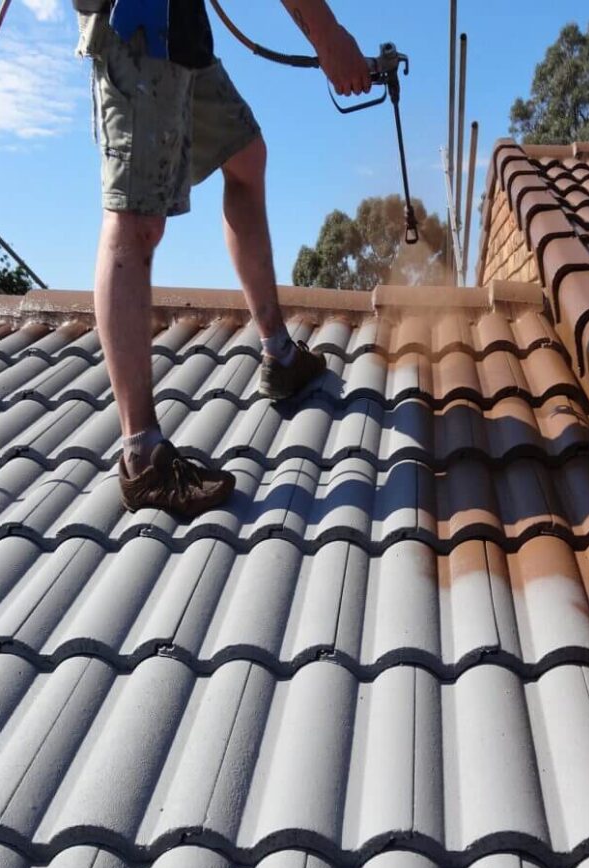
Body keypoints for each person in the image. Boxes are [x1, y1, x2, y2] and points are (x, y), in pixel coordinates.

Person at [73, 0, 371, 517]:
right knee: (135, 219)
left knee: (246, 155)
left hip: (178, 26)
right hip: (137, 23)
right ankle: (142, 458)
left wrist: (327, 36)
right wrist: (329, 35)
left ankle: (279, 354)